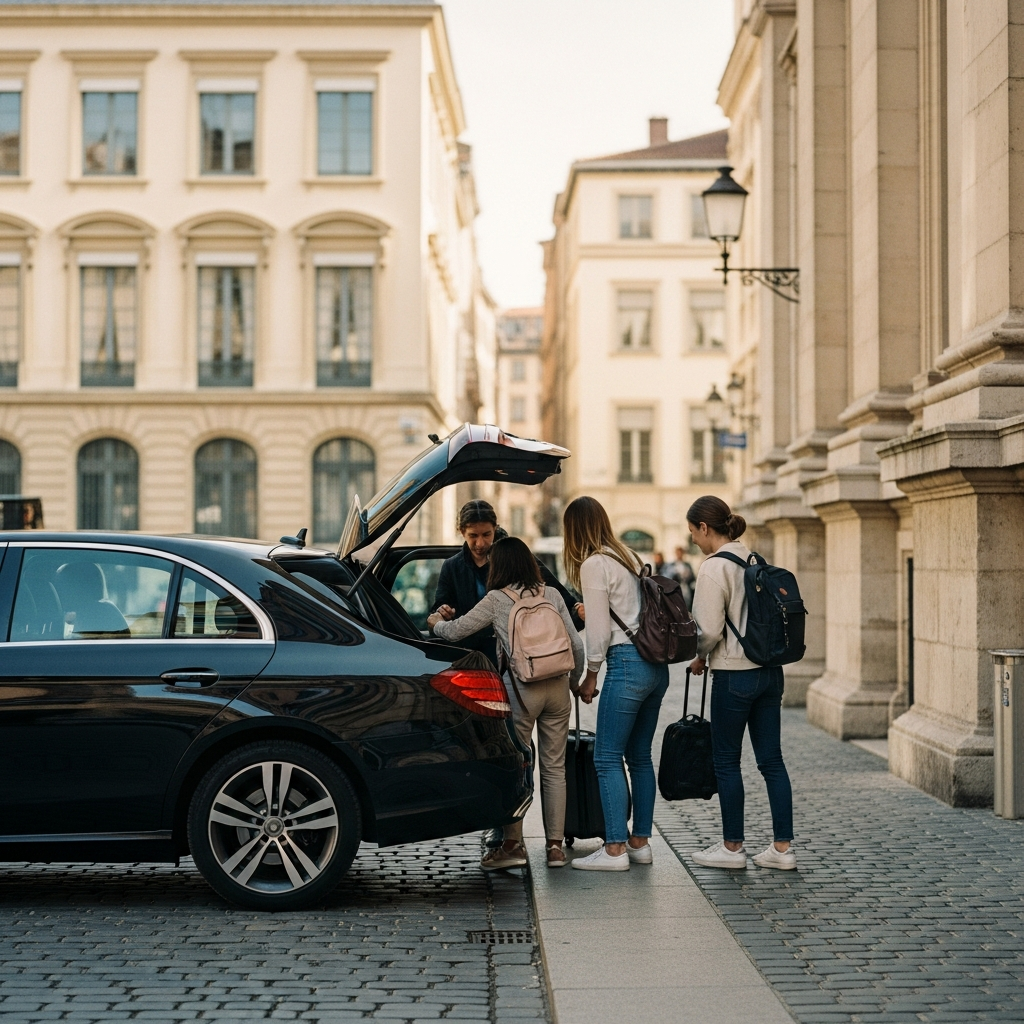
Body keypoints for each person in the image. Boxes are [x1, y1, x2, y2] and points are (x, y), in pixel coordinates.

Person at [430, 537, 584, 870]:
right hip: (557, 688)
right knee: (554, 768)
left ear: (500, 566)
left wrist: (434, 624)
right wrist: (576, 684)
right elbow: (576, 645)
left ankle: (513, 845)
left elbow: (457, 631)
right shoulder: (552, 595)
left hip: (522, 692)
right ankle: (555, 849)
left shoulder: (498, 599)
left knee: (519, 766)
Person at [686, 495, 796, 871]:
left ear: (704, 527)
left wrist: (699, 654)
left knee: (726, 762)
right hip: (770, 673)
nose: (694, 542)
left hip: (734, 675)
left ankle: (733, 847)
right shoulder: (754, 559)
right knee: (772, 761)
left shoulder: (713, 568)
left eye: (693, 533)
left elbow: (709, 629)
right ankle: (782, 848)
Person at [562, 496, 669, 872]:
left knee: (606, 757)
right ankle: (640, 843)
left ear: (573, 531)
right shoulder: (628, 555)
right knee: (639, 757)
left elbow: (600, 632)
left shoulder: (594, 564)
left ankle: (614, 850)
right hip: (656, 668)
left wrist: (590, 674)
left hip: (625, 666)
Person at [428, 500, 583, 666]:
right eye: (473, 535)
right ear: (462, 532)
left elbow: (555, 593)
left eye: (486, 534)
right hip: (472, 657)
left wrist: (577, 610)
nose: (480, 543)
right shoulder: (452, 566)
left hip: (517, 654)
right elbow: (438, 609)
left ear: (495, 528)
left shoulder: (514, 558)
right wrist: (444, 611)